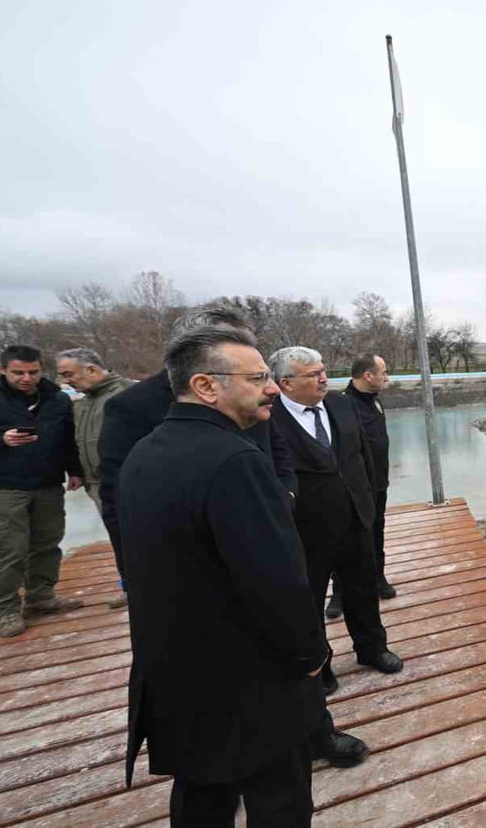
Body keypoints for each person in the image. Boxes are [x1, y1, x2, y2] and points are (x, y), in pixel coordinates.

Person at [119, 326, 327, 826]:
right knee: (279, 798)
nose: (272, 387)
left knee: (202, 797)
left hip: (176, 673)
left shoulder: (145, 453)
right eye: (257, 378)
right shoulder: (234, 461)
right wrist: (311, 654)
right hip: (248, 682)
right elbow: (275, 580)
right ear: (207, 386)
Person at [97, 307, 297, 596]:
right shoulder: (130, 407)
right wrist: (133, 570)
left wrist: (285, 496)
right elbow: (118, 497)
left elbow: (278, 451)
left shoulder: (254, 393)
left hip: (262, 536)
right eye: (228, 342)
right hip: (189, 562)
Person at [267, 346, 403, 701]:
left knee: (362, 587)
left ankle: (372, 648)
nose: (323, 378)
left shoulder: (342, 405)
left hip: (355, 519)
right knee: (310, 601)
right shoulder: (268, 420)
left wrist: (368, 506)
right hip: (305, 530)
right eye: (312, 375)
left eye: (323, 371)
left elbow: (363, 460)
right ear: (286, 383)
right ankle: (321, 666)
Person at [0, 344, 85, 638]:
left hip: (48, 484)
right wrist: (0, 440)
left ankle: (40, 597)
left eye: (33, 372)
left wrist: (75, 470)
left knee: (47, 544)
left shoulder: (57, 399)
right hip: (2, 487)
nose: (27, 378)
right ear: (3, 370)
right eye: (18, 373)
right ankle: (7, 610)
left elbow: (67, 439)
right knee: (9, 551)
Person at [55, 347, 133, 608]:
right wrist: (77, 471)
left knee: (137, 536)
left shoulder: (127, 393)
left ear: (90, 369)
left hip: (128, 482)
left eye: (69, 374)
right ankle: (129, 586)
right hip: (97, 485)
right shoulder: (83, 403)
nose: (67, 381)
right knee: (118, 538)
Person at [326, 353, 394, 621]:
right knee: (348, 538)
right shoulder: (342, 405)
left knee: (377, 530)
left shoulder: (375, 402)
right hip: (355, 487)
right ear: (368, 376)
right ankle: (339, 593)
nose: (387, 377)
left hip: (378, 483)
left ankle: (377, 578)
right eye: (384, 372)